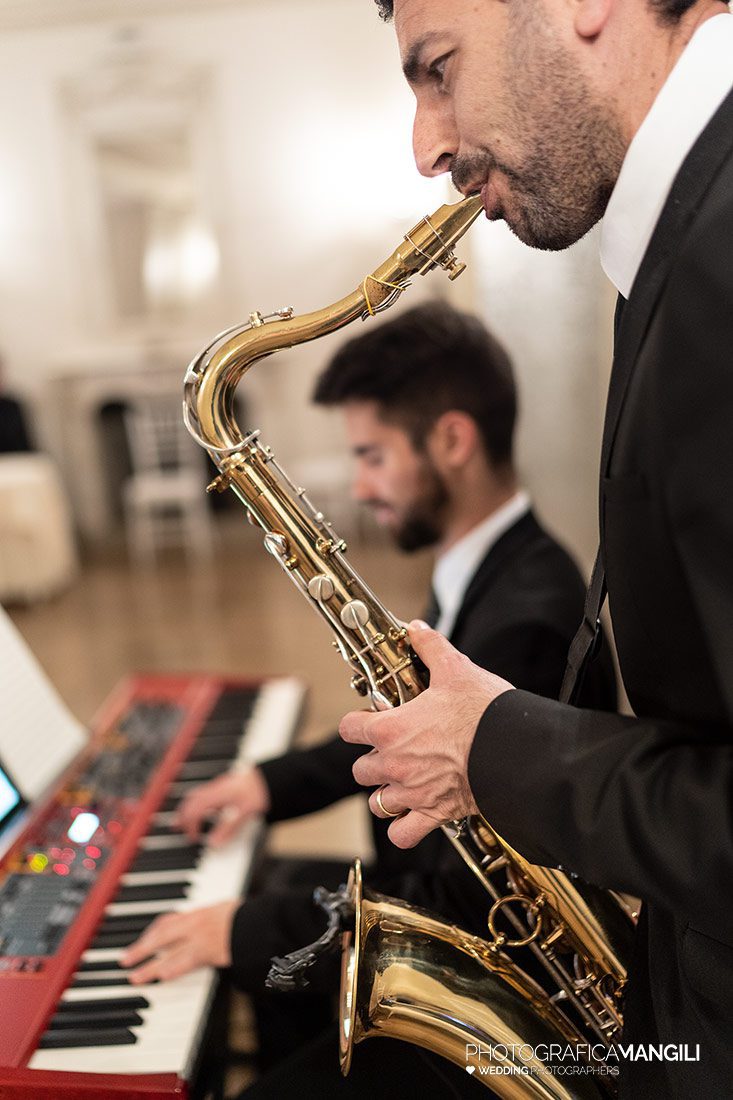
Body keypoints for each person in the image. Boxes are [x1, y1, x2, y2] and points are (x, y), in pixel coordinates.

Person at [337, 2, 733, 1097]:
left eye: (438, 70)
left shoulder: (719, 257)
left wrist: (500, 747)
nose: (426, 147)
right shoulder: (679, 235)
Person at [121, 301, 616, 1071]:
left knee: (251, 930)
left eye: (373, 455)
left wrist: (243, 931)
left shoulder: (525, 621)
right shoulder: (488, 572)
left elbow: (469, 902)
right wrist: (264, 784)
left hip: (498, 992)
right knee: (264, 906)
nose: (359, 485)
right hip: (422, 898)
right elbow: (397, 736)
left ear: (452, 440)